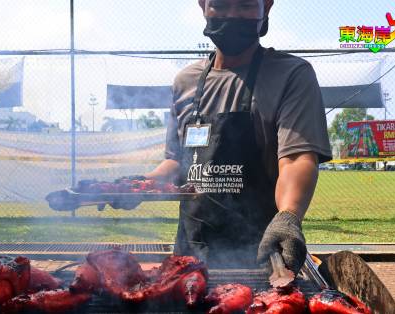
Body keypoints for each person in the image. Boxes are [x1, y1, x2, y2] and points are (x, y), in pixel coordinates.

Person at [121, 0, 332, 274]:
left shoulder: (290, 75)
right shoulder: (185, 81)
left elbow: (295, 158)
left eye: (245, 5)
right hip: (189, 256)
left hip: (259, 253)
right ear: (203, 5)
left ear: (265, 8)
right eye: (220, 4)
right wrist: (137, 185)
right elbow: (177, 163)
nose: (231, 15)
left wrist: (289, 215)